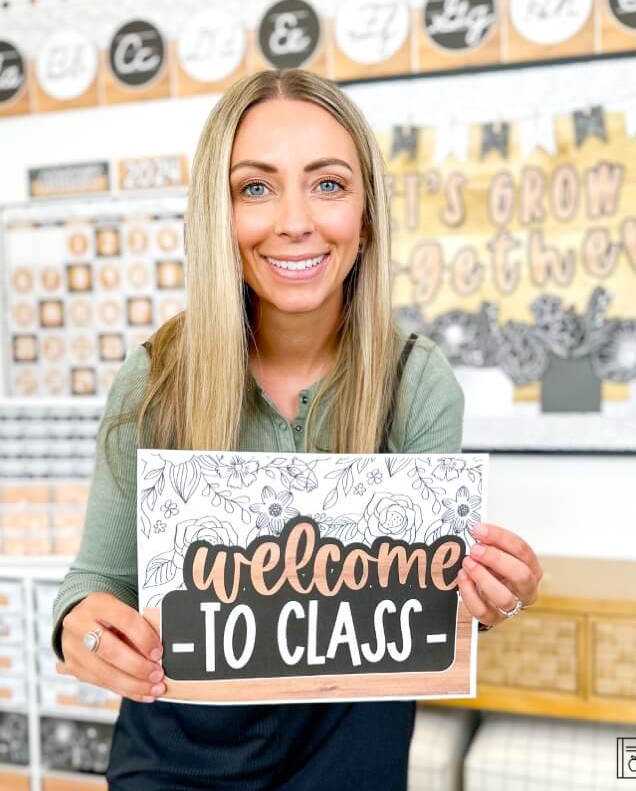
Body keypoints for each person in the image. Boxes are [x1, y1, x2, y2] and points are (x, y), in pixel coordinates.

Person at [51, 69, 543, 790]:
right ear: (220, 215)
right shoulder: (157, 374)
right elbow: (97, 582)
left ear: (366, 214)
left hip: (349, 755)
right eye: (256, 187)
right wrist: (82, 628)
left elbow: (429, 606)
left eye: (328, 184)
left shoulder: (416, 380)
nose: (293, 220)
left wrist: (491, 595)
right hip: (175, 755)